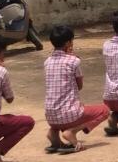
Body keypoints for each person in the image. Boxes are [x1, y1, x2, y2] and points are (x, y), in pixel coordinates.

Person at [43, 25, 109, 153]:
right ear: (68, 42)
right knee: (104, 110)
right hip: (68, 115)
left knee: (70, 107)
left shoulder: (47, 62)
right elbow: (79, 86)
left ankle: (53, 133)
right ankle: (71, 132)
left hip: (50, 115)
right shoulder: (74, 61)